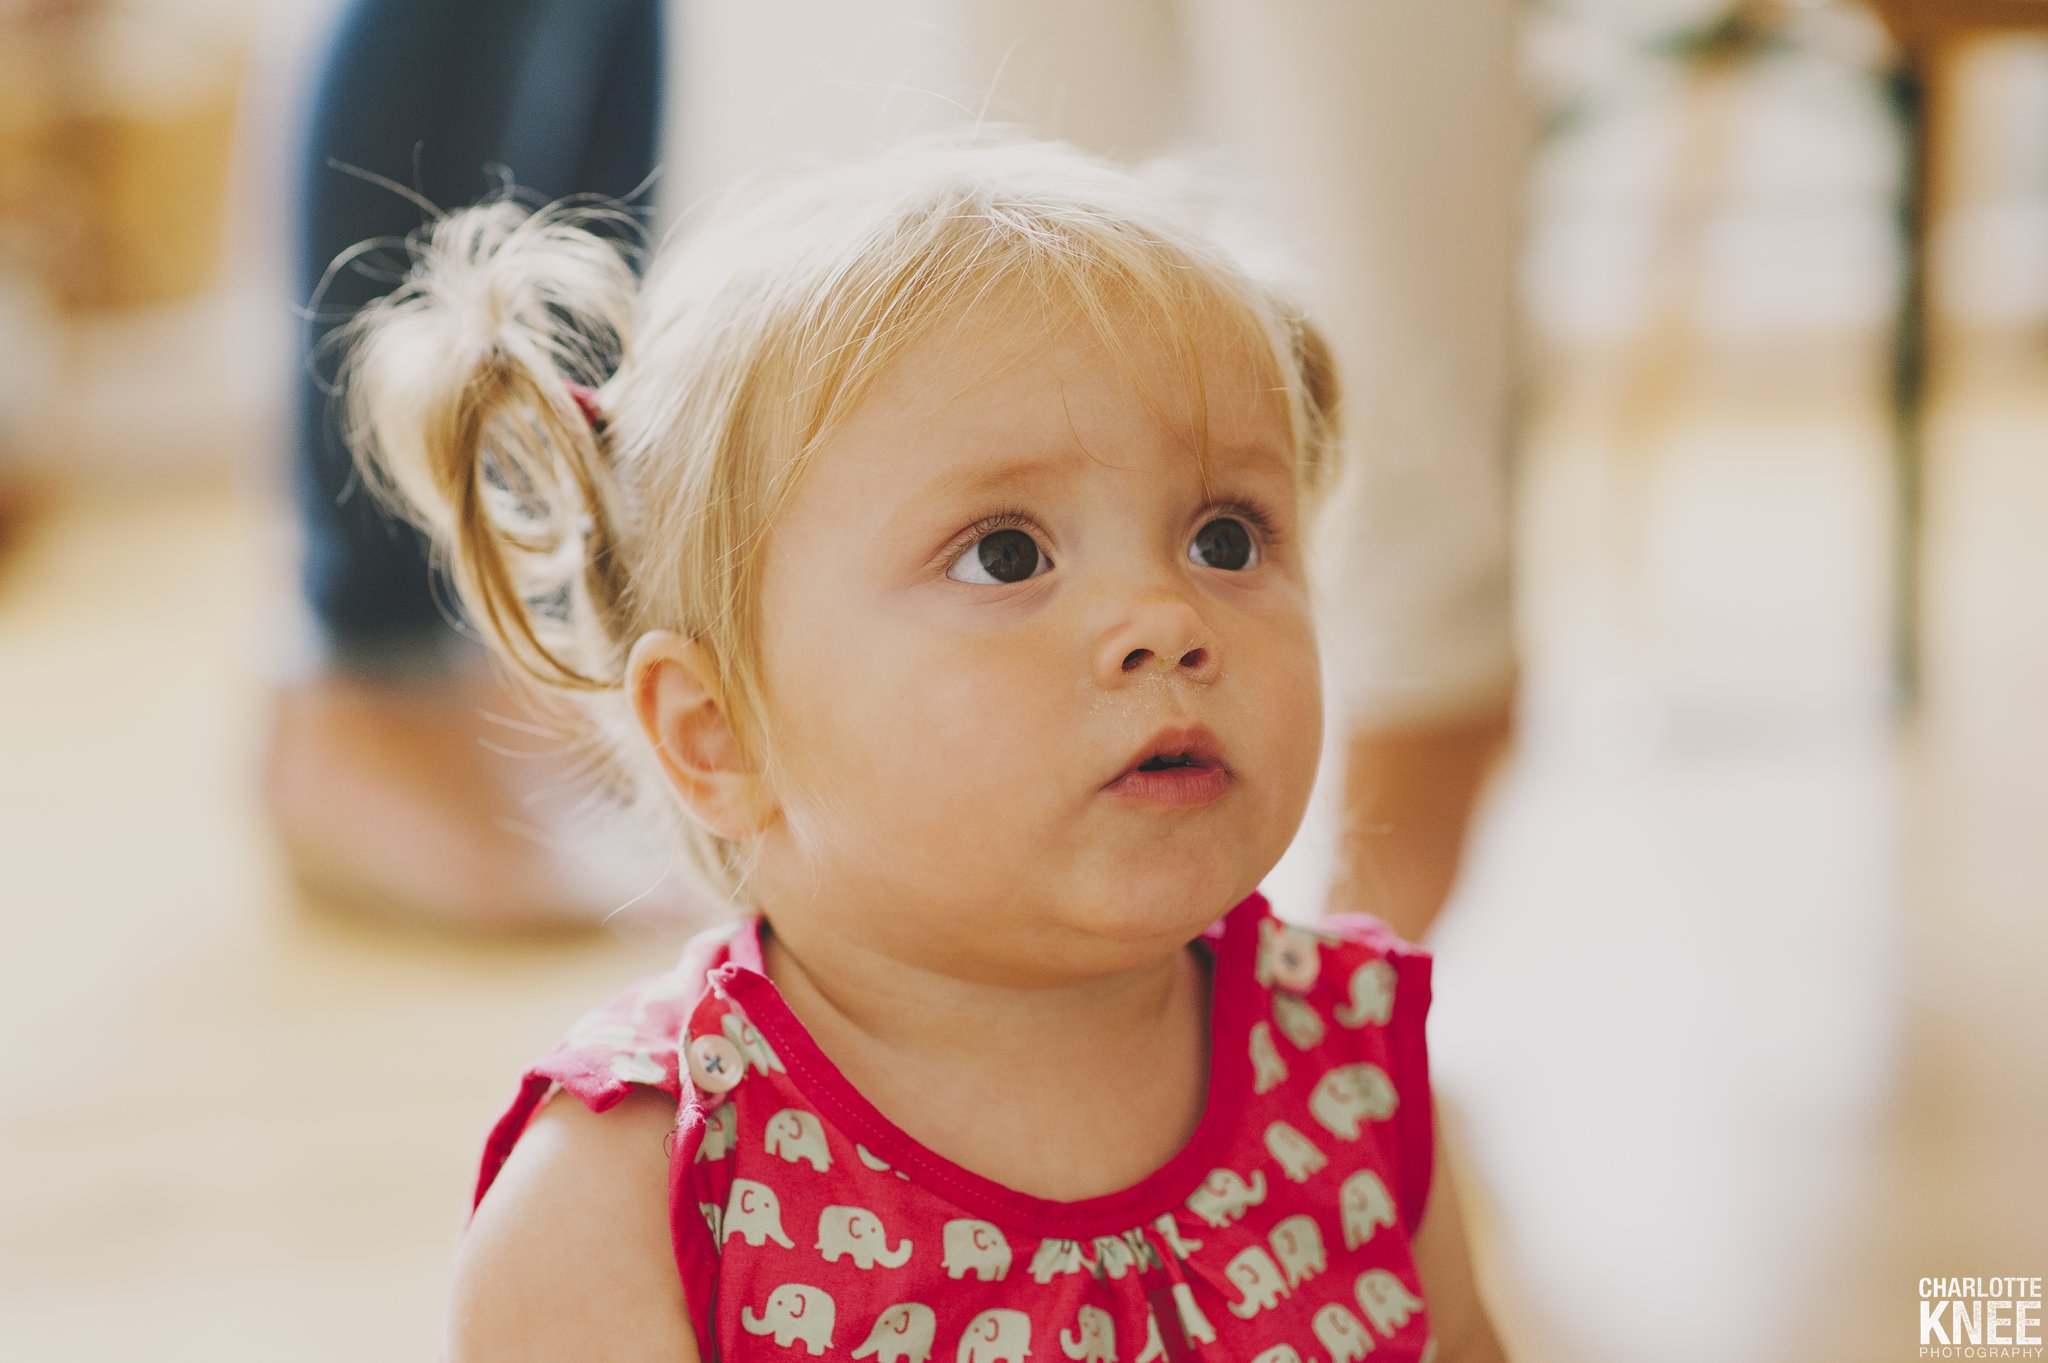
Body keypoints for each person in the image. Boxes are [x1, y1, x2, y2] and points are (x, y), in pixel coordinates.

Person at [340, 137, 1508, 1361]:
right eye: (1004, 555)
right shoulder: (633, 1200)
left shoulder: (1349, 1079)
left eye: (1225, 536)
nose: (1167, 619)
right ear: (718, 732)